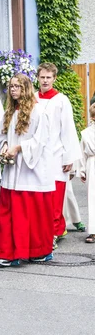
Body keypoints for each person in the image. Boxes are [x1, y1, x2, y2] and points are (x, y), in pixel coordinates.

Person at [0, 74, 55, 267]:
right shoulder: (10, 111)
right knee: (10, 213)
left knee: (31, 215)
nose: (13, 90)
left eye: (17, 86)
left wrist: (19, 148)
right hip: (13, 171)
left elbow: (41, 141)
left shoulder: (38, 111)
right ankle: (8, 252)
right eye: (11, 86)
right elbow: (1, 135)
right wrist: (5, 146)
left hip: (31, 171)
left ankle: (37, 251)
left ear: (26, 88)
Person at [36, 63, 81, 248]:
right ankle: (44, 230)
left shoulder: (61, 100)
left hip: (56, 154)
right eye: (42, 77)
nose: (45, 80)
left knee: (55, 197)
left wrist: (68, 157)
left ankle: (54, 232)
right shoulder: (32, 99)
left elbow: (68, 129)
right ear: (37, 78)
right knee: (40, 197)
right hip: (37, 156)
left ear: (54, 79)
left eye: (49, 77)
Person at [78, 103, 95, 243]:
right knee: (92, 197)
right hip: (91, 163)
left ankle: (93, 231)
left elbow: (81, 154)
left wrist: (82, 170)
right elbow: (81, 153)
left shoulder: (86, 133)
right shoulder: (86, 133)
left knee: (93, 197)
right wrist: (82, 170)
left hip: (91, 163)